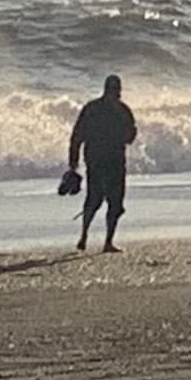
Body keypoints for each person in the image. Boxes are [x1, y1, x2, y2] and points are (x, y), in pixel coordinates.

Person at [67, 75, 138, 255]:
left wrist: (73, 163)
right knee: (101, 200)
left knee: (107, 201)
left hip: (105, 160)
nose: (116, 93)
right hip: (103, 160)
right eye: (115, 90)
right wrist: (73, 165)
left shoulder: (96, 109)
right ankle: (93, 238)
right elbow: (77, 136)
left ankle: (98, 239)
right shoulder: (118, 110)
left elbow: (77, 137)